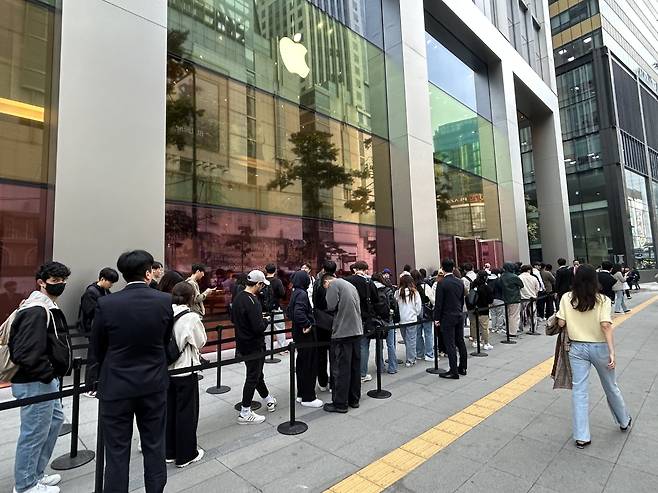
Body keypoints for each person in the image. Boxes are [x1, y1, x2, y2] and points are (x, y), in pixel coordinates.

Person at [91, 250, 173, 493]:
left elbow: (98, 347)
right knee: (154, 444)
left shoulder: (106, 303)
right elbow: (165, 340)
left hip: (116, 385)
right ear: (148, 273)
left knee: (116, 450)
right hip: (153, 383)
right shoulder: (164, 301)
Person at [8, 262, 72, 493]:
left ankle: (36, 473)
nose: (61, 285)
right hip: (35, 380)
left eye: (63, 281)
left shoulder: (44, 307)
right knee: (35, 431)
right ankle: (25, 485)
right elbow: (25, 352)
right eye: (55, 281)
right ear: (42, 282)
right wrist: (47, 374)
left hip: (44, 380)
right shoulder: (36, 309)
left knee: (52, 423)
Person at [555, 264, 631, 449]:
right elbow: (606, 325)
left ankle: (582, 436)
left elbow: (561, 322)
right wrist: (612, 351)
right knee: (610, 386)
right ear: (594, 279)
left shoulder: (567, 297)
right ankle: (623, 420)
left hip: (576, 348)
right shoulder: (603, 300)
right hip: (600, 347)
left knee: (579, 391)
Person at [166, 282, 207, 468]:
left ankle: (169, 451)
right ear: (191, 297)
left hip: (165, 368)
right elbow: (201, 341)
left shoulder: (165, 311)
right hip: (184, 369)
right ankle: (186, 454)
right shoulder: (191, 317)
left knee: (169, 410)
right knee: (186, 413)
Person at [231, 270, 278, 424]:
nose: (263, 287)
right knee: (253, 376)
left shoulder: (238, 297)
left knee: (257, 374)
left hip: (243, 343)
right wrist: (265, 321)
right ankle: (245, 411)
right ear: (258, 283)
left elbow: (234, 319)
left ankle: (268, 398)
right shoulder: (252, 301)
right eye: (262, 284)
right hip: (254, 344)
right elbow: (258, 327)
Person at [323, 273, 362, 413]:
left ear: (326, 281)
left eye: (324, 286)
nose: (326, 289)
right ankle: (354, 400)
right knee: (354, 367)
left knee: (340, 369)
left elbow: (331, 305)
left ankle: (340, 403)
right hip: (357, 331)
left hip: (342, 333)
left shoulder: (333, 284)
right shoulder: (350, 285)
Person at [79, 267, 119, 397]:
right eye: (110, 282)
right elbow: (92, 311)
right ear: (102, 279)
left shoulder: (104, 291)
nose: (111, 285)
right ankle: (90, 387)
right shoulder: (91, 292)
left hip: (101, 328)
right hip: (94, 329)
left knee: (100, 357)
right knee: (94, 358)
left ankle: (99, 384)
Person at [288, 271, 322, 408]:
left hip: (298, 335)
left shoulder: (295, 292)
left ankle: (302, 394)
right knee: (309, 366)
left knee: (302, 365)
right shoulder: (302, 294)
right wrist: (307, 324)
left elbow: (290, 312)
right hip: (306, 336)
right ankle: (309, 397)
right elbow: (298, 313)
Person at [344, 260, 379, 383]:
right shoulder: (368, 281)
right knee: (364, 345)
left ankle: (351, 372)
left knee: (350, 346)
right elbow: (376, 299)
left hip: (350, 316)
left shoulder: (347, 281)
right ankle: (362, 373)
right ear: (365, 270)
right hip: (365, 317)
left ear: (354, 269)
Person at [433, 259, 467, 379]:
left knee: (450, 344)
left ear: (442, 268)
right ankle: (463, 367)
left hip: (447, 317)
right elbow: (461, 300)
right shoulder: (460, 282)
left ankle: (453, 370)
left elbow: (439, 303)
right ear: (453, 268)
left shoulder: (441, 283)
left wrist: (436, 318)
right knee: (460, 341)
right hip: (459, 314)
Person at [313, 260, 337, 392]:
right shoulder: (337, 283)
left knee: (321, 355)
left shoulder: (317, 282)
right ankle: (334, 383)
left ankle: (322, 382)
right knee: (334, 355)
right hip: (333, 322)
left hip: (320, 322)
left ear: (323, 268)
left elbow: (315, 301)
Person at [372, 272, 398, 374]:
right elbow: (393, 304)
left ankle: (380, 367)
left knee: (379, 344)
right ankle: (392, 367)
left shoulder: (371, 290)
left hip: (377, 320)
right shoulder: (387, 290)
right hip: (388, 318)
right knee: (390, 344)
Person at [395, 275, 422, 367]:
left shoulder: (398, 292)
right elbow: (418, 307)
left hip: (402, 320)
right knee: (412, 339)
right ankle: (411, 359)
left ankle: (410, 356)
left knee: (406, 339)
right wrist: (415, 314)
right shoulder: (415, 292)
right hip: (412, 319)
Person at [261, 264, 287, 351]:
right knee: (280, 327)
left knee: (267, 330)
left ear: (266, 270)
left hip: (264, 309)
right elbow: (282, 293)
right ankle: (282, 347)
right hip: (276, 307)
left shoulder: (263, 282)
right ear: (275, 271)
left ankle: (268, 348)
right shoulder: (277, 281)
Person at [411, 269, 434, 362]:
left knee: (418, 333)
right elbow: (432, 299)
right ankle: (429, 353)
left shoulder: (412, 288)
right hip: (425, 311)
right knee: (428, 333)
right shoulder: (425, 286)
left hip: (415, 311)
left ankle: (419, 353)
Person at [467, 270, 494, 350]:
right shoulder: (486, 287)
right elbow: (490, 300)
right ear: (485, 277)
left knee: (474, 326)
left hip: (473, 309)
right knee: (484, 327)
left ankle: (475, 341)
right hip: (483, 309)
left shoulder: (473, 284)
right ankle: (486, 343)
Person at [499, 262, 524, 336]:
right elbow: (521, 285)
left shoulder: (502, 277)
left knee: (507, 315)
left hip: (505, 298)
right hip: (515, 298)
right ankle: (512, 332)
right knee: (514, 316)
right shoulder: (514, 276)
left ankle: (508, 330)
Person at [519, 265, 541, 333]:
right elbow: (537, 288)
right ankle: (533, 328)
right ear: (529, 270)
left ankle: (520, 327)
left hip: (522, 298)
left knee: (521, 314)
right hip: (532, 298)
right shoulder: (533, 278)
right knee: (533, 314)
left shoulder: (519, 277)